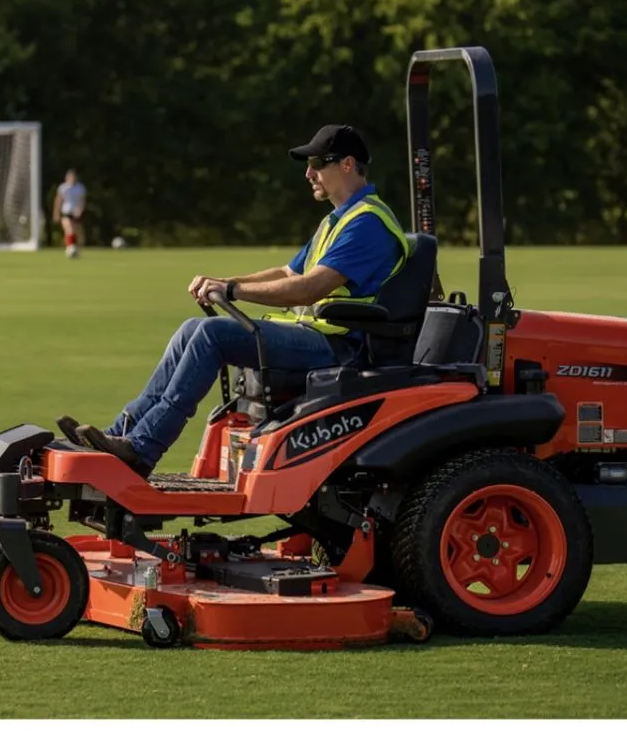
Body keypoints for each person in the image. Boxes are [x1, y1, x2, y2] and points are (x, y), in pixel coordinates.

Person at [57, 124, 410, 478]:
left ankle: (142, 449)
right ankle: (119, 434)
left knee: (213, 335)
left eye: (317, 162)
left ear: (347, 164)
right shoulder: (340, 220)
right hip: (321, 337)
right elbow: (289, 273)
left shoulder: (367, 224)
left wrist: (233, 292)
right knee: (191, 329)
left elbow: (308, 289)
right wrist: (226, 282)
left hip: (340, 346)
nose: (308, 172)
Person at [53, 168, 87, 258]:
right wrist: (56, 213)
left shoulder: (80, 188)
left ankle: (76, 248)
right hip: (66, 211)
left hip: (76, 212)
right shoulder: (63, 188)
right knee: (69, 229)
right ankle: (69, 248)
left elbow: (82, 200)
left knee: (78, 233)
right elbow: (58, 201)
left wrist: (80, 210)